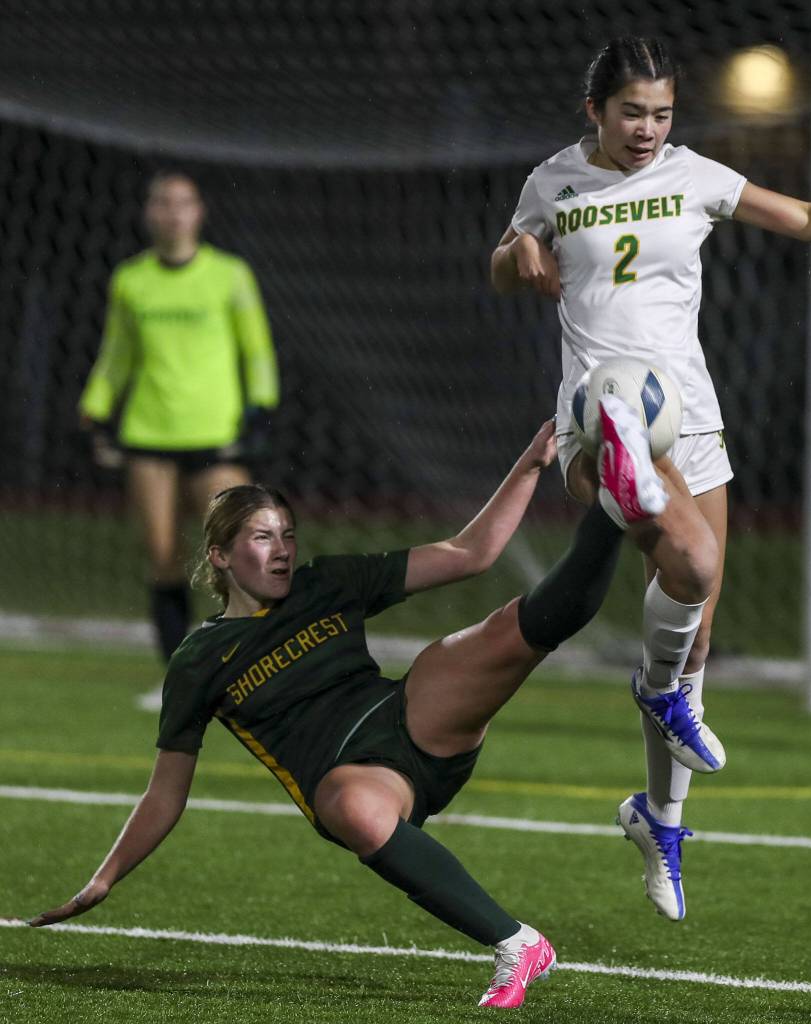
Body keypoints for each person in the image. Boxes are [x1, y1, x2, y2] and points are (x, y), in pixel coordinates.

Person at [490, 36, 811, 922]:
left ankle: (659, 818)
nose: (646, 129)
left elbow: (802, 218)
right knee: (675, 538)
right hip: (593, 414)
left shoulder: (695, 174)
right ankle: (631, 530)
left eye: (661, 113)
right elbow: (505, 256)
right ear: (592, 111)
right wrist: (517, 254)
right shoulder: (551, 182)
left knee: (694, 629)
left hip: (691, 421)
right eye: (631, 112)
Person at [31, 398, 676, 1009]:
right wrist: (107, 876)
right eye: (261, 538)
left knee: (520, 627)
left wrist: (530, 465)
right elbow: (166, 792)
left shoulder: (327, 582)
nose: (282, 548)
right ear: (220, 557)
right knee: (349, 805)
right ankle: (518, 945)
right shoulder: (198, 661)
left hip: (415, 717)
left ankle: (616, 501)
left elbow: (467, 553)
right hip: (358, 780)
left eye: (286, 533)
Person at [79, 171, 279, 664]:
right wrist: (95, 409)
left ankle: (255, 667)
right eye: (162, 202)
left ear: (199, 212)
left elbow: (256, 350)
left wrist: (261, 408)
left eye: (182, 202)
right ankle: (178, 677)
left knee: (244, 555)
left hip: (215, 434)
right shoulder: (130, 279)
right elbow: (116, 355)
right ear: (148, 213)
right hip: (149, 435)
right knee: (164, 557)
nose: (172, 211)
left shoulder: (229, 274)